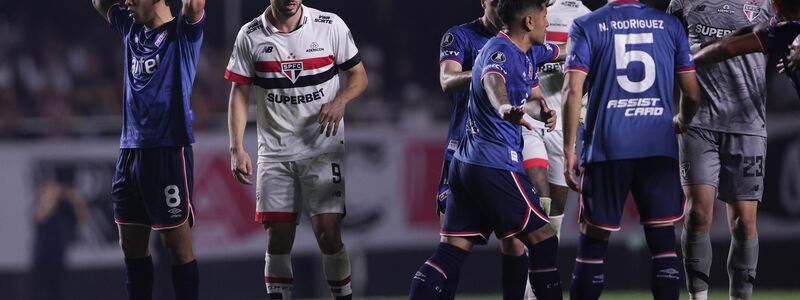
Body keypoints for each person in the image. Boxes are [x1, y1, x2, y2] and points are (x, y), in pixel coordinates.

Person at [410, 0, 562, 298]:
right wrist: (503, 104)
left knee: (453, 250)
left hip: (471, 159)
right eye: (544, 16)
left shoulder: (524, 50)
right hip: (491, 158)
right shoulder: (496, 49)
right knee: (544, 241)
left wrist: (538, 107)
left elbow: (556, 59)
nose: (548, 22)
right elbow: (493, 79)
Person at [224, 0, 368, 299]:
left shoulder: (330, 26)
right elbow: (239, 92)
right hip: (275, 153)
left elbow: (359, 76)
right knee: (277, 239)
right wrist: (236, 147)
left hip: (322, 148)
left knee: (329, 235)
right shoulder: (250, 35)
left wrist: (340, 101)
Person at [561, 0, 701, 299]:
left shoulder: (587, 25)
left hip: (607, 145)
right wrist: (680, 122)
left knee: (593, 241)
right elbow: (692, 94)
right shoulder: (670, 25)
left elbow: (573, 91)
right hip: (656, 145)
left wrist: (569, 148)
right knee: (663, 244)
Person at [91, 0, 205, 299]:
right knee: (131, 245)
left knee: (176, 246)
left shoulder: (182, 33)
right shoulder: (130, 29)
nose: (126, 2)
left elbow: (194, 5)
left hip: (167, 150)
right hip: (129, 151)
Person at [667, 0, 773, 299]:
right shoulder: (682, 3)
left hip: (747, 122)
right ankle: (697, 297)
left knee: (743, 221)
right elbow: (668, 48)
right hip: (698, 121)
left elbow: (788, 29)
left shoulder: (764, 3)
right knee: (698, 213)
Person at [521, 0, 591, 241]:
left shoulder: (586, 18)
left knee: (556, 210)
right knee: (539, 198)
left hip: (563, 125)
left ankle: (542, 269)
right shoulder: (526, 12)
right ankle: (534, 272)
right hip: (531, 118)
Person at [692, 0, 800, 96]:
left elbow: (727, 48)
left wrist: (685, 63)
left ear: (775, 5)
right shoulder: (780, 25)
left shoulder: (788, 28)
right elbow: (750, 31)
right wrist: (698, 48)